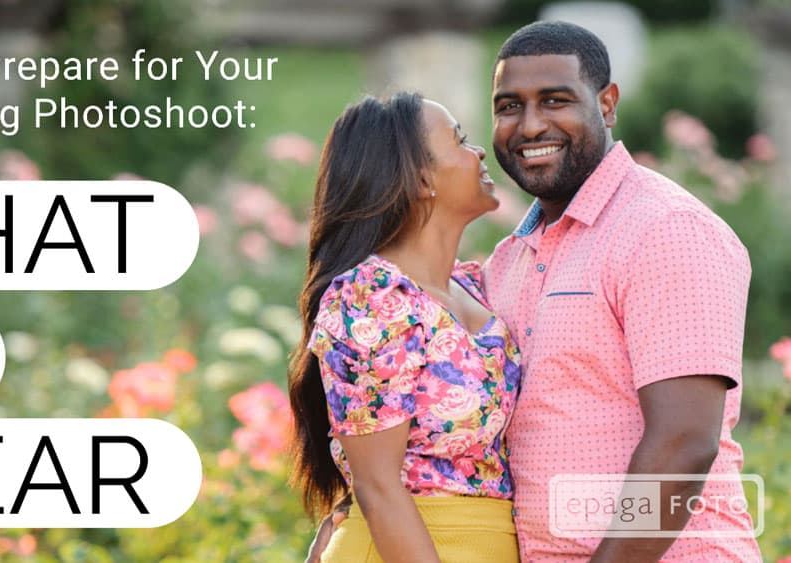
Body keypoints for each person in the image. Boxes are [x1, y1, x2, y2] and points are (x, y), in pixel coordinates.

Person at [306, 21, 762, 562]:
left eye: (555, 100)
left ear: (608, 104)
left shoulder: (664, 229)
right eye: (507, 107)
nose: (530, 125)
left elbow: (685, 447)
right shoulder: (503, 267)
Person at [287, 92, 522, 562]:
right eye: (460, 141)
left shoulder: (476, 286)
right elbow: (377, 487)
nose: (478, 153)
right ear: (419, 179)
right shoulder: (371, 297)